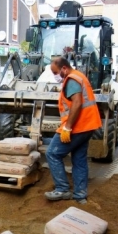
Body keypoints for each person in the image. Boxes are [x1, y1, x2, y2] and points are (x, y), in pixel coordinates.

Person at [45, 56, 102, 204]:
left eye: (56, 72)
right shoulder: (79, 76)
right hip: (88, 125)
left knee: (52, 153)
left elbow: (77, 103)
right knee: (79, 159)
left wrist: (67, 127)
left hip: (78, 126)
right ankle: (80, 195)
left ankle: (62, 189)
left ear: (64, 68)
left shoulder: (71, 79)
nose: (55, 76)